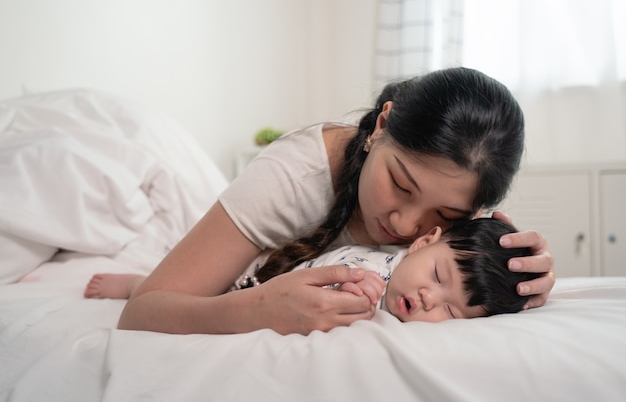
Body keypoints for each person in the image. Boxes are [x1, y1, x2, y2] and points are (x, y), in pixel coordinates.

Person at [113, 67, 555, 335]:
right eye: (401, 185)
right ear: (382, 125)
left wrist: (523, 280)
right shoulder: (294, 175)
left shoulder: (451, 232)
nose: (404, 226)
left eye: (444, 215)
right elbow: (143, 313)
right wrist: (260, 309)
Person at [86, 218, 539, 323]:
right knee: (193, 294)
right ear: (422, 242)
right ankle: (136, 282)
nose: (429, 300)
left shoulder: (405, 311)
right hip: (252, 276)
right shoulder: (375, 264)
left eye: (452, 313)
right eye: (437, 278)